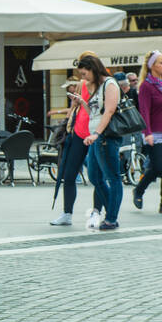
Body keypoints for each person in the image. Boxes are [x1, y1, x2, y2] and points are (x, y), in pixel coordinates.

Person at [74, 53, 123, 231]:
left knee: (113, 177)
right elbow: (95, 112)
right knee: (94, 175)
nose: (83, 78)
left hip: (106, 136)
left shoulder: (110, 84)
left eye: (84, 74)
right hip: (95, 136)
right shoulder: (96, 86)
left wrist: (96, 134)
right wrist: (82, 103)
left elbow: (109, 112)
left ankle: (111, 218)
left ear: (93, 70)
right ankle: (111, 210)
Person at [133, 50, 162, 215]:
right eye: (161, 62)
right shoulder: (146, 86)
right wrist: (147, 133)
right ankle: (139, 190)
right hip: (154, 133)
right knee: (158, 166)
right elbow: (144, 112)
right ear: (152, 66)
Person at [49, 77, 91, 227]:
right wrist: (73, 106)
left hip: (92, 135)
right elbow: (70, 118)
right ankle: (67, 213)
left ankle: (101, 212)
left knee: (97, 177)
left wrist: (82, 103)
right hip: (76, 137)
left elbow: (97, 114)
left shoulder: (96, 91)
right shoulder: (79, 97)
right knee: (68, 176)